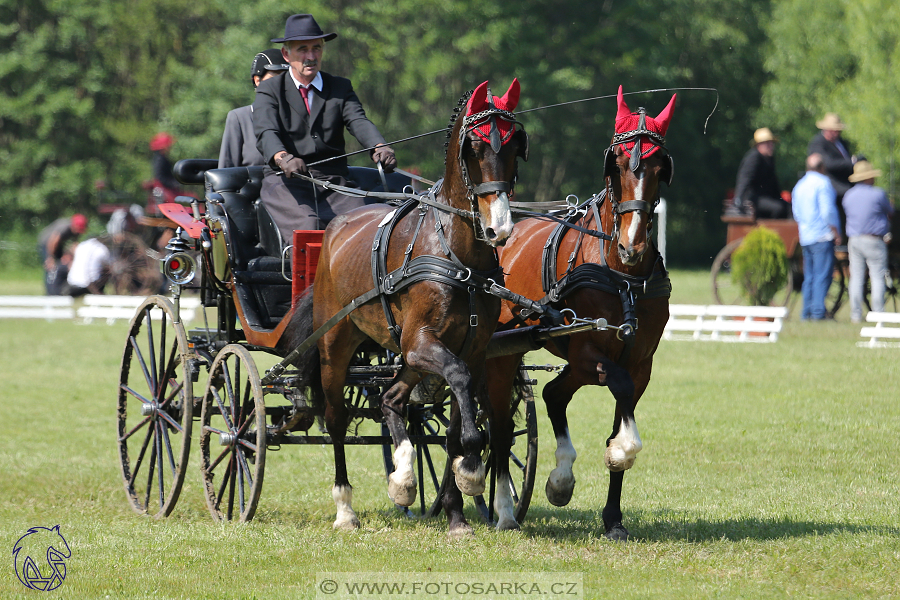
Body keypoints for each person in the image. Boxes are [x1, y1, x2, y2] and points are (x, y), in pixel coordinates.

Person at [253, 13, 397, 242]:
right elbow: (266, 132)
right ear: (286, 54)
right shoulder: (269, 89)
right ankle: (306, 279)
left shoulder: (340, 87)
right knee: (309, 227)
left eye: (316, 48)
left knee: (366, 222)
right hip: (285, 183)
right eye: (303, 49)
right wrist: (282, 157)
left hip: (334, 182)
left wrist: (379, 146)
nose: (311, 56)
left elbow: (358, 121)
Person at [218, 49, 290, 168]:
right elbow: (226, 171)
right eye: (276, 78)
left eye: (287, 78)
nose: (283, 84)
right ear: (258, 81)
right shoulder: (239, 118)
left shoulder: (299, 117)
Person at [792, 153, 843, 320]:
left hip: (806, 236)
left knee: (810, 276)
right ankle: (818, 312)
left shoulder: (799, 186)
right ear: (822, 168)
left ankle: (806, 312)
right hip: (822, 235)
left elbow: (796, 213)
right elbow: (827, 211)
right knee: (823, 275)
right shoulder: (823, 183)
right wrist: (835, 231)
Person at [842, 160, 894, 322]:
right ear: (868, 178)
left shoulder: (848, 195)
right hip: (873, 240)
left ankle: (856, 314)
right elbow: (890, 212)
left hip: (854, 240)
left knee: (856, 277)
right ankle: (878, 313)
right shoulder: (878, 194)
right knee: (877, 276)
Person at [733, 127, 790, 218]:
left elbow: (773, 183)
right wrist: (738, 200)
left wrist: (780, 198)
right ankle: (770, 230)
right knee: (778, 208)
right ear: (759, 145)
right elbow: (744, 180)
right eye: (768, 144)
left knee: (789, 208)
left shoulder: (769, 159)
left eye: (772, 143)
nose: (771, 146)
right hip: (752, 198)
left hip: (765, 197)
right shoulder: (753, 158)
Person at [807, 113, 855, 203]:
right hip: (832, 184)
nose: (836, 133)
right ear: (826, 129)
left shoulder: (841, 142)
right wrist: (851, 162)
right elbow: (828, 164)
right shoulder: (818, 143)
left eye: (838, 130)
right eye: (833, 130)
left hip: (847, 181)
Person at [37, 214, 87, 295]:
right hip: (47, 244)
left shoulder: (75, 232)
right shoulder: (64, 227)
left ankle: (59, 289)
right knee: (51, 268)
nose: (79, 233)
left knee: (61, 265)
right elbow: (53, 242)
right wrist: (50, 258)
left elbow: (73, 245)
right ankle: (49, 292)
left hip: (58, 245)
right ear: (74, 226)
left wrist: (68, 256)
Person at [148, 132, 183, 213]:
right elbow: (160, 177)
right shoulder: (160, 159)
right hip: (164, 187)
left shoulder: (160, 158)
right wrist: (173, 184)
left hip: (165, 185)